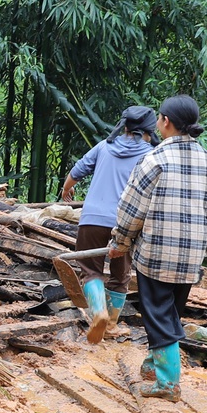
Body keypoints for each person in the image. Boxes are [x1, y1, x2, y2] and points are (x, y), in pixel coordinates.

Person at [108, 95, 207, 402]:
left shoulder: (155, 160)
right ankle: (153, 364)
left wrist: (120, 242)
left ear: (165, 122)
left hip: (156, 256)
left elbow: (131, 210)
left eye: (159, 118)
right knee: (168, 314)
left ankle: (167, 383)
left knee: (157, 315)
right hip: (190, 259)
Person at [60, 105, 157, 342]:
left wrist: (67, 188)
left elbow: (78, 169)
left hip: (92, 218)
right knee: (120, 274)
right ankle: (111, 324)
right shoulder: (151, 155)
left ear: (123, 126)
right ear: (150, 130)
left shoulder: (104, 146)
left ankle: (98, 313)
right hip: (125, 224)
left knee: (90, 269)